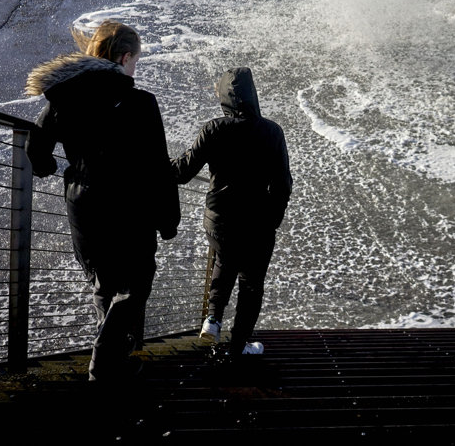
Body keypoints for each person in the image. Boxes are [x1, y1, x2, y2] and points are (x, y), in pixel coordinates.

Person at [24, 20, 180, 382]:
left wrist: (47, 166)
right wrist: (169, 219)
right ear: (125, 57)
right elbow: (159, 166)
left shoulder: (65, 95)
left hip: (83, 204)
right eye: (136, 61)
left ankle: (114, 360)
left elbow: (37, 145)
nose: (135, 68)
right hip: (129, 208)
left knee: (104, 283)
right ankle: (105, 358)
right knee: (136, 283)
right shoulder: (140, 102)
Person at [171, 67, 292, 356]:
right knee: (251, 284)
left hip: (219, 219)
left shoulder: (214, 129)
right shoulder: (272, 131)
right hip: (257, 221)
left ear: (225, 96)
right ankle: (238, 346)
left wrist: (152, 163)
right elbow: (283, 185)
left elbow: (183, 171)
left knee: (224, 260)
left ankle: (212, 320)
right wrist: (272, 220)